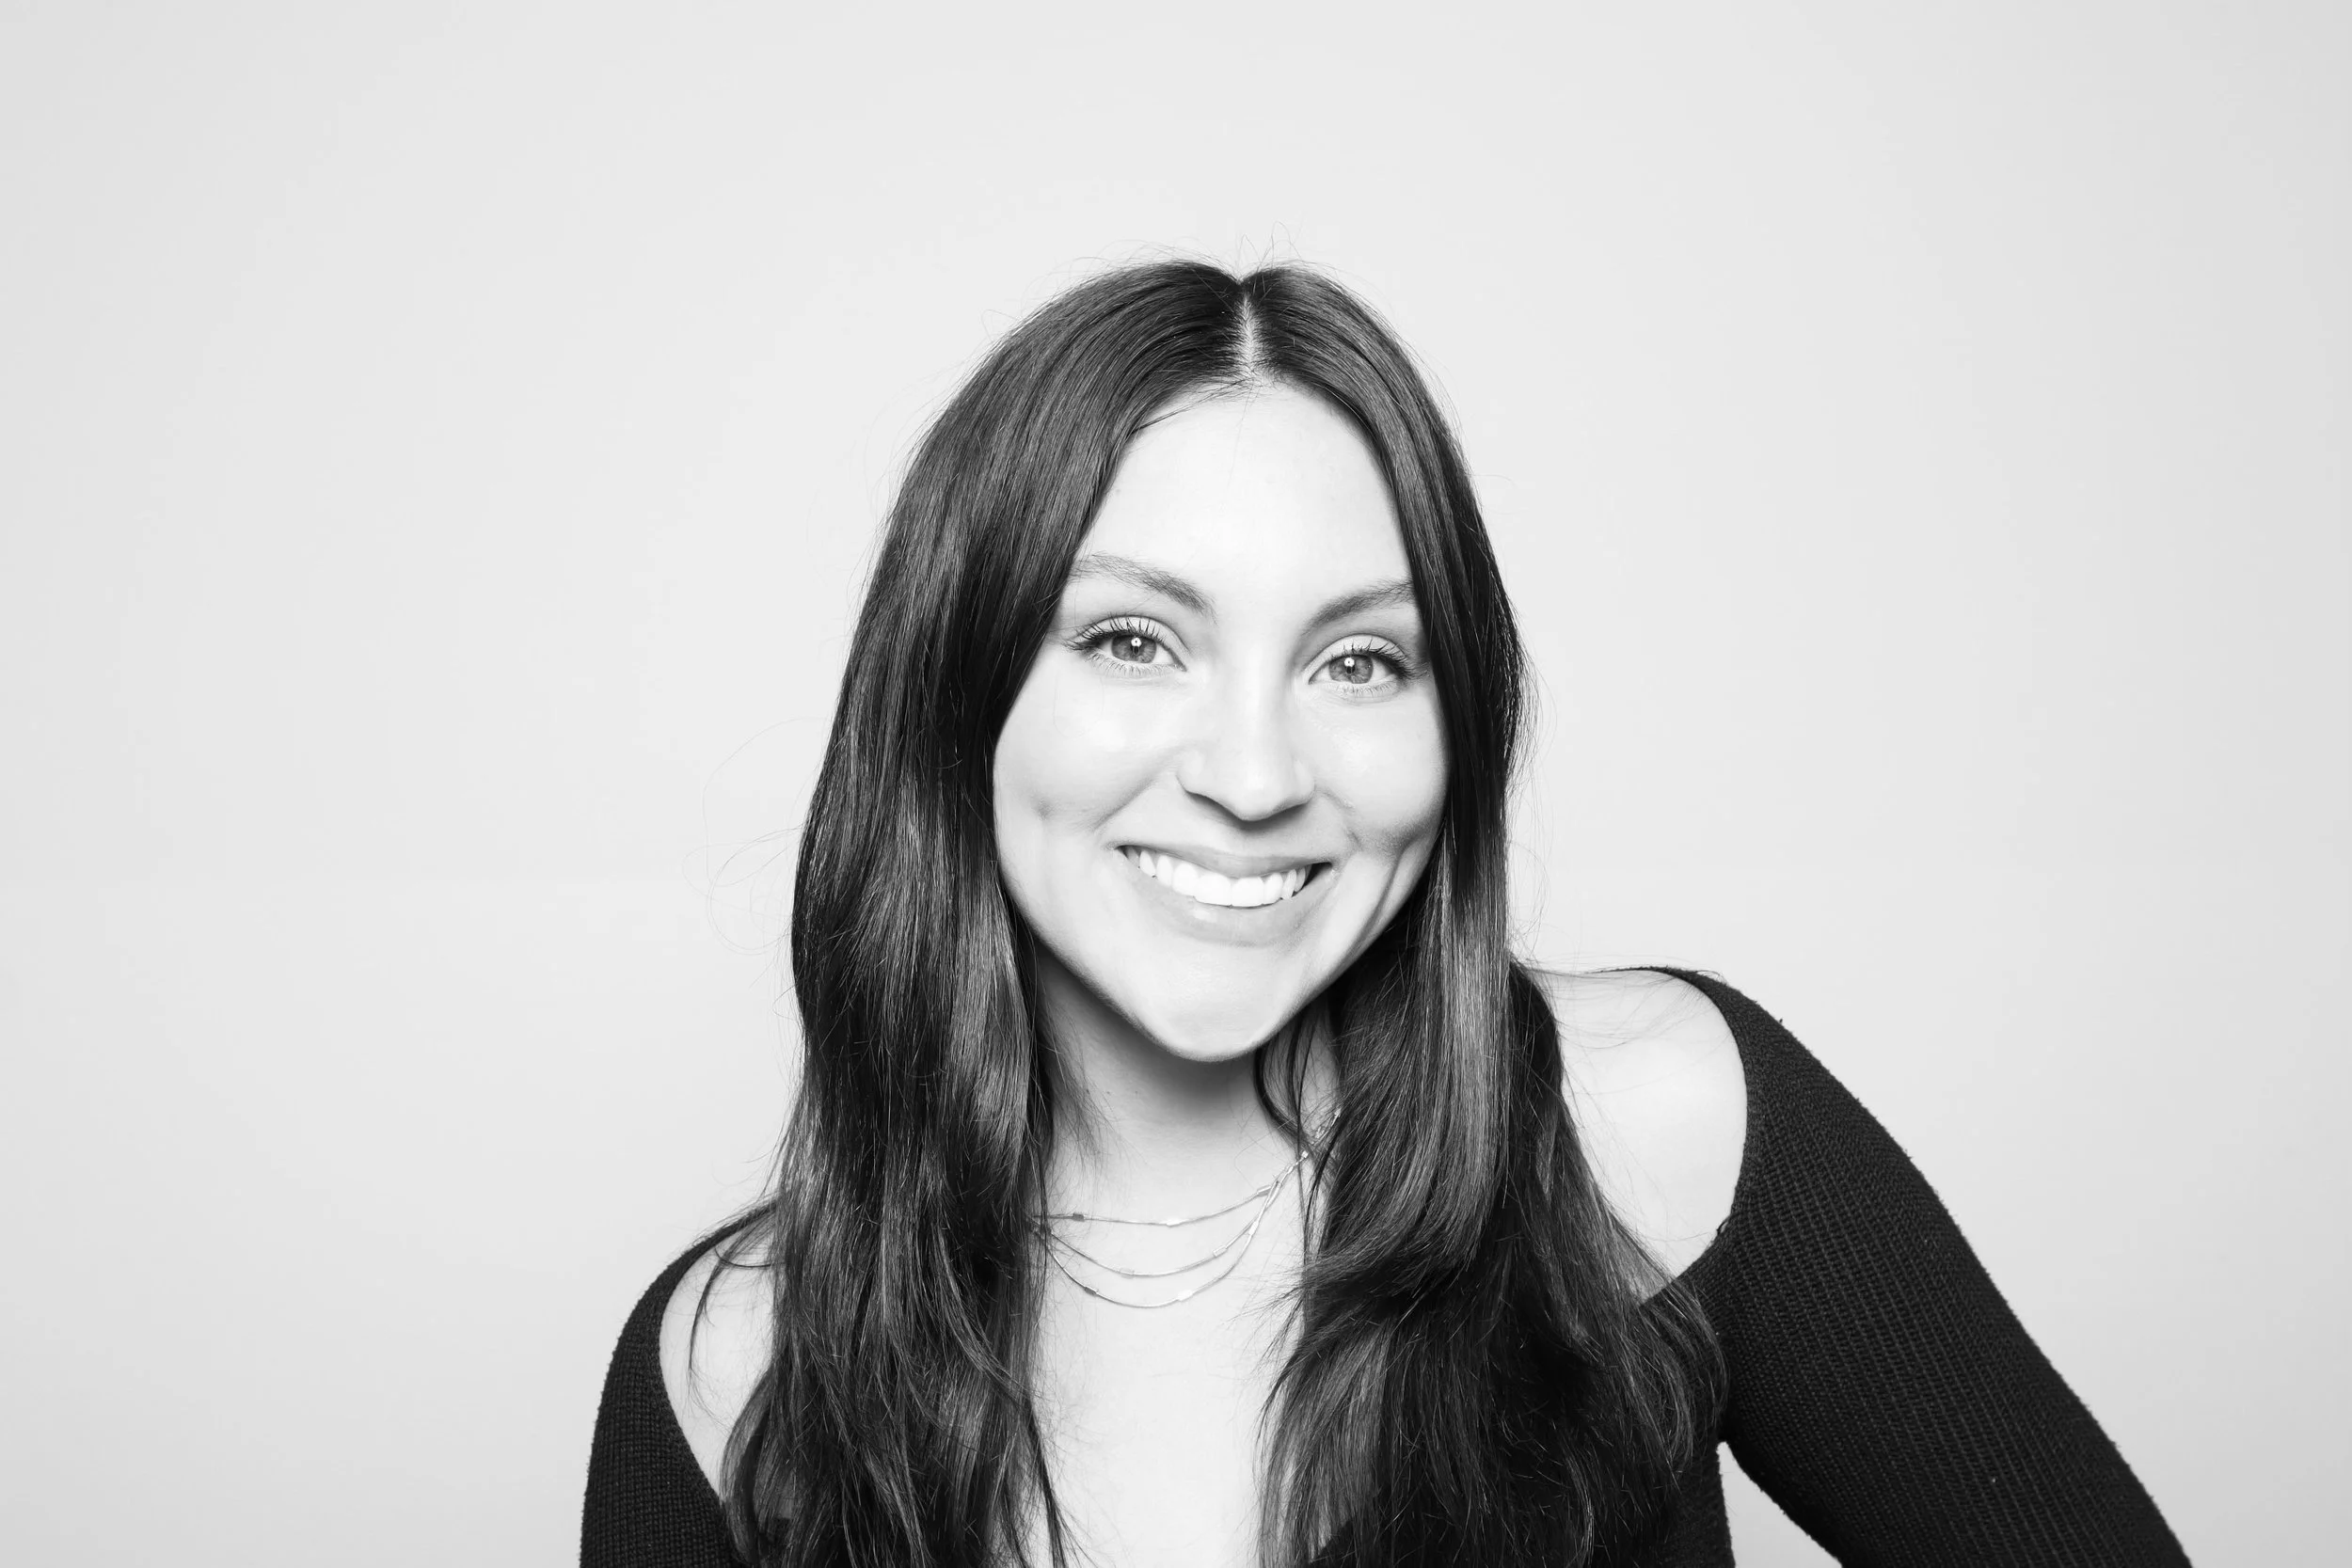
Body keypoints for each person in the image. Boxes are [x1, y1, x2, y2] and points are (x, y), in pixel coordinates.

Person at [581, 261, 2188, 1567]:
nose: (1257, 772)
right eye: (1135, 639)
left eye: (1359, 661)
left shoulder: (1657, 1129)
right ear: (957, 692)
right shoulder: (735, 1372)